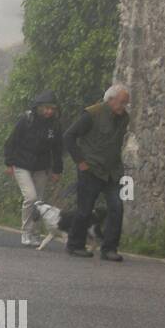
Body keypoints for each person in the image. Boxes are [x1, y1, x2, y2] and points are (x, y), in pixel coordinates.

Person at [63, 84, 131, 261]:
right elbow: (69, 136)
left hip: (113, 172)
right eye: (122, 102)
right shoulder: (92, 114)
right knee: (85, 210)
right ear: (110, 100)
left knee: (116, 208)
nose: (124, 106)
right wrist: (81, 162)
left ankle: (109, 249)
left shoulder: (124, 118)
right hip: (91, 169)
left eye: (126, 103)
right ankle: (75, 244)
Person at [4, 90, 64, 247]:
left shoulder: (55, 125)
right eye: (46, 108)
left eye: (52, 108)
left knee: (39, 201)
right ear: (39, 107)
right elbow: (12, 141)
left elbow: (58, 149)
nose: (49, 111)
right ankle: (26, 231)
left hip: (41, 167)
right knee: (30, 197)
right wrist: (9, 163)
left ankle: (36, 234)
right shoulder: (27, 119)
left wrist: (57, 170)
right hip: (21, 164)